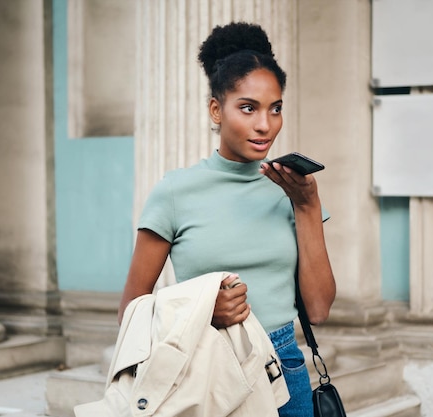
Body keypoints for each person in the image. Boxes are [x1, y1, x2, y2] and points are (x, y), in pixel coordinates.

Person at [119, 21, 336, 417]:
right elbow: (131, 312)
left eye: (276, 109)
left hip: (285, 369)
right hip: (206, 370)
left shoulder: (293, 190)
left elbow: (319, 309)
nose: (264, 125)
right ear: (216, 110)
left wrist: (306, 207)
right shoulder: (175, 191)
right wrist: (202, 311)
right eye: (248, 108)